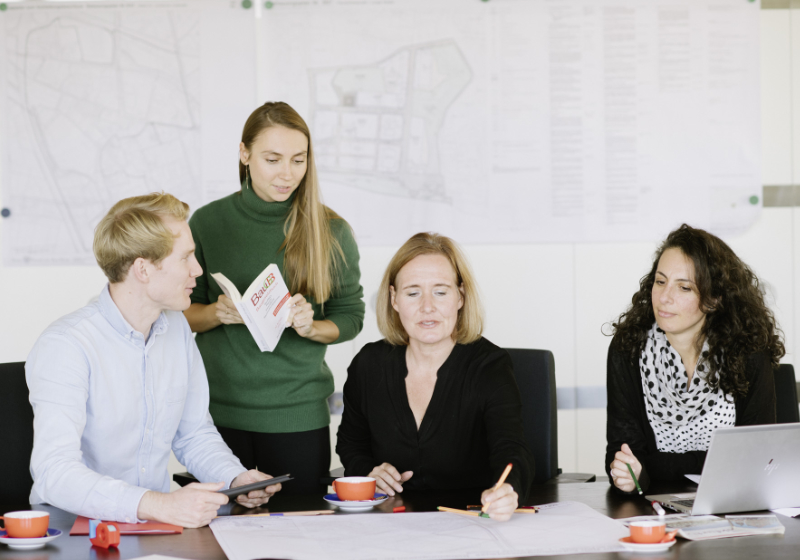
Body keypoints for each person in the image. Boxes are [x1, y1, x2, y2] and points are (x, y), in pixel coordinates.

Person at [27, 193, 281, 527]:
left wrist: (235, 479)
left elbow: (193, 434)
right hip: (76, 527)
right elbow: (54, 472)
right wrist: (157, 505)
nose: (197, 270)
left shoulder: (176, 329)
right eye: (185, 258)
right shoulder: (67, 345)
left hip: (154, 526)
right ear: (143, 269)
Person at [184, 102, 365, 494]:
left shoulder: (331, 229)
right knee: (218, 530)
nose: (287, 174)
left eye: (299, 160)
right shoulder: (207, 223)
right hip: (215, 418)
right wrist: (216, 313)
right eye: (272, 159)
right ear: (244, 154)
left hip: (297, 416)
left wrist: (312, 327)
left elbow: (350, 316)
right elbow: (179, 315)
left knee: (298, 526)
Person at [336, 232, 534, 521]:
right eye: (412, 293)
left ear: (460, 297)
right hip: (390, 524)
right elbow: (351, 443)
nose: (427, 307)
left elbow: (511, 448)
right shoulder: (369, 364)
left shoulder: (489, 365)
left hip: (471, 522)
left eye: (440, 292)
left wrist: (508, 490)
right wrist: (369, 473)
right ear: (393, 299)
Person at [606, 224, 784, 493]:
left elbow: (757, 458)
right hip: (653, 505)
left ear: (713, 299)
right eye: (660, 281)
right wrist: (630, 475)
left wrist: (653, 467)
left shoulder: (747, 351)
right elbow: (622, 454)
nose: (665, 297)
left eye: (684, 287)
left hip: (733, 501)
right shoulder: (629, 348)